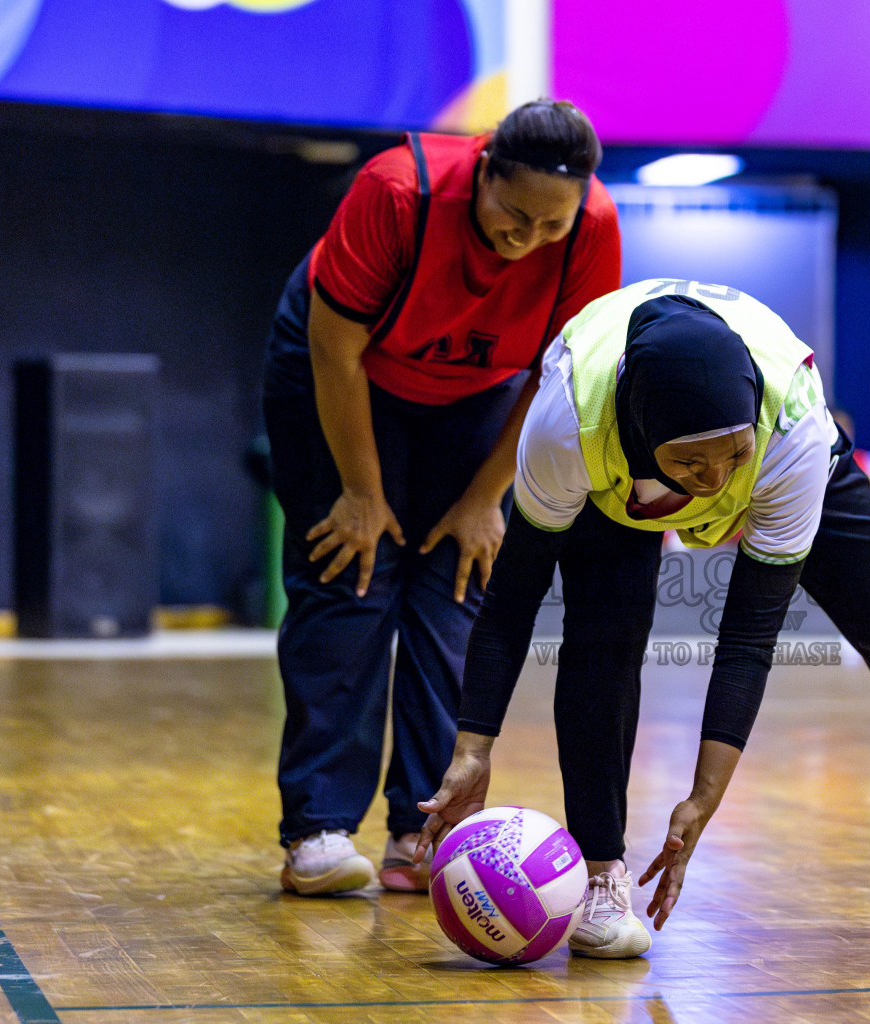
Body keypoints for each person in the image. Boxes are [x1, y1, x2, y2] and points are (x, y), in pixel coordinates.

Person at [413, 279, 870, 959]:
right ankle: (601, 873)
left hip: (785, 450)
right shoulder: (569, 424)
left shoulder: (789, 428)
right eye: (692, 464)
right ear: (642, 437)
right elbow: (512, 599)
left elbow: (750, 633)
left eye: (730, 456)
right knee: (602, 647)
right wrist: (474, 746)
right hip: (612, 479)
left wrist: (703, 796)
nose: (715, 482)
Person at [259, 100, 621, 895]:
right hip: (347, 373)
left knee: (459, 582)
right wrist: (359, 490)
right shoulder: (398, 193)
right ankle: (318, 828)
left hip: (476, 393)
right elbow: (334, 350)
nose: (526, 238)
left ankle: (423, 829)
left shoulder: (592, 225)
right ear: (482, 172)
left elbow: (558, 378)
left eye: (548, 226)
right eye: (511, 213)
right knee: (349, 574)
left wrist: (487, 497)